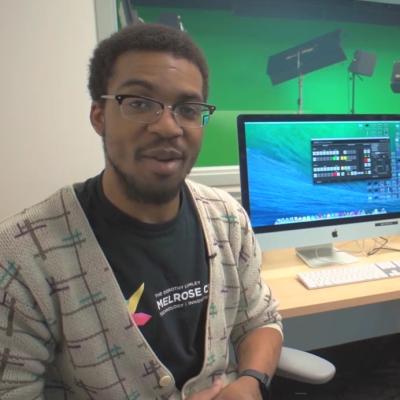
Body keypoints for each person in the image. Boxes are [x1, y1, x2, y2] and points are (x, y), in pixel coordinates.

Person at [0, 23, 282, 399]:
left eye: (188, 108)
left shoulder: (227, 218)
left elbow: (261, 319)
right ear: (99, 115)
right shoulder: (25, 254)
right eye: (139, 103)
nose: (168, 127)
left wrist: (250, 382)